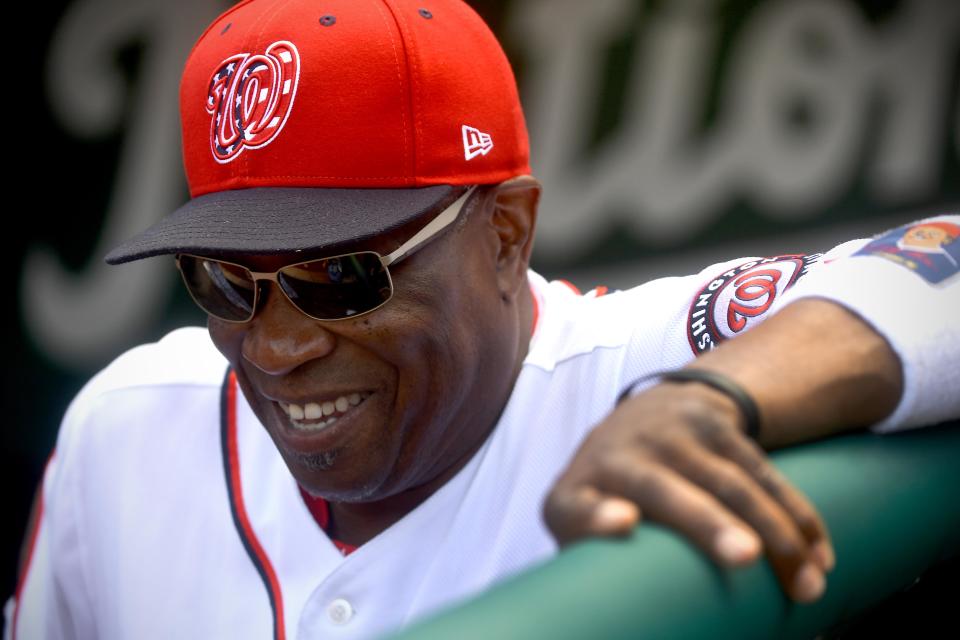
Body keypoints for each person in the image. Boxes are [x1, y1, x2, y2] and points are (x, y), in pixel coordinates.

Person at [8, 1, 958, 638]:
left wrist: (714, 398)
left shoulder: (627, 367)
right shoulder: (123, 430)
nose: (278, 345)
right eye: (224, 280)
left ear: (505, 233)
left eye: (343, 274)